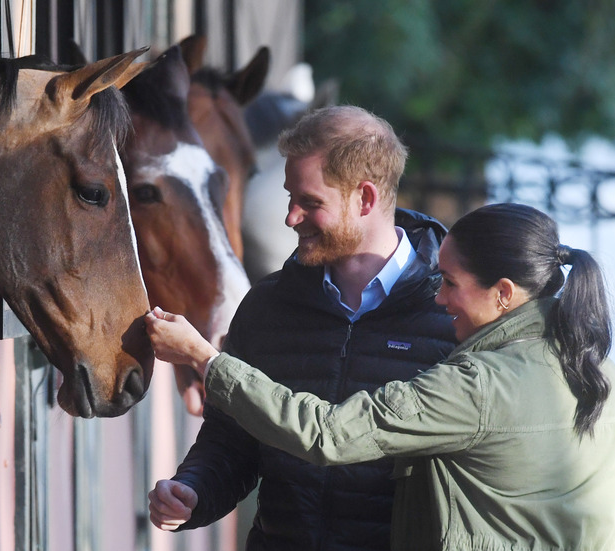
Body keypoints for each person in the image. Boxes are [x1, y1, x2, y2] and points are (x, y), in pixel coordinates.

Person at [146, 202, 615, 551]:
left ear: (504, 294)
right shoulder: (605, 375)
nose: (440, 298)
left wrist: (206, 359)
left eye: (450, 284)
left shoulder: (480, 385)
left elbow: (328, 433)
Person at [146, 105, 459, 550]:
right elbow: (230, 439)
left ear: (365, 199)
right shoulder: (268, 304)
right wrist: (193, 492)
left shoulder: (451, 316)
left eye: (310, 202)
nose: (290, 217)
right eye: (290, 197)